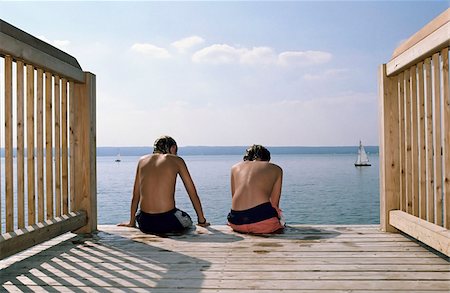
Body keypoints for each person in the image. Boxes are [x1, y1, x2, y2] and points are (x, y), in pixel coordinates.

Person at [118, 136, 209, 234]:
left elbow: (136, 195)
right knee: (187, 219)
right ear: (173, 148)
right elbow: (192, 192)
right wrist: (201, 220)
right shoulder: (176, 160)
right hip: (167, 221)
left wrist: (132, 222)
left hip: (145, 223)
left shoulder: (142, 160)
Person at [227, 144, 284, 234]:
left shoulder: (235, 168)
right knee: (279, 220)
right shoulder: (276, 169)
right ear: (267, 158)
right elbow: (275, 204)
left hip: (236, 221)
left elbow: (234, 196)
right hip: (263, 223)